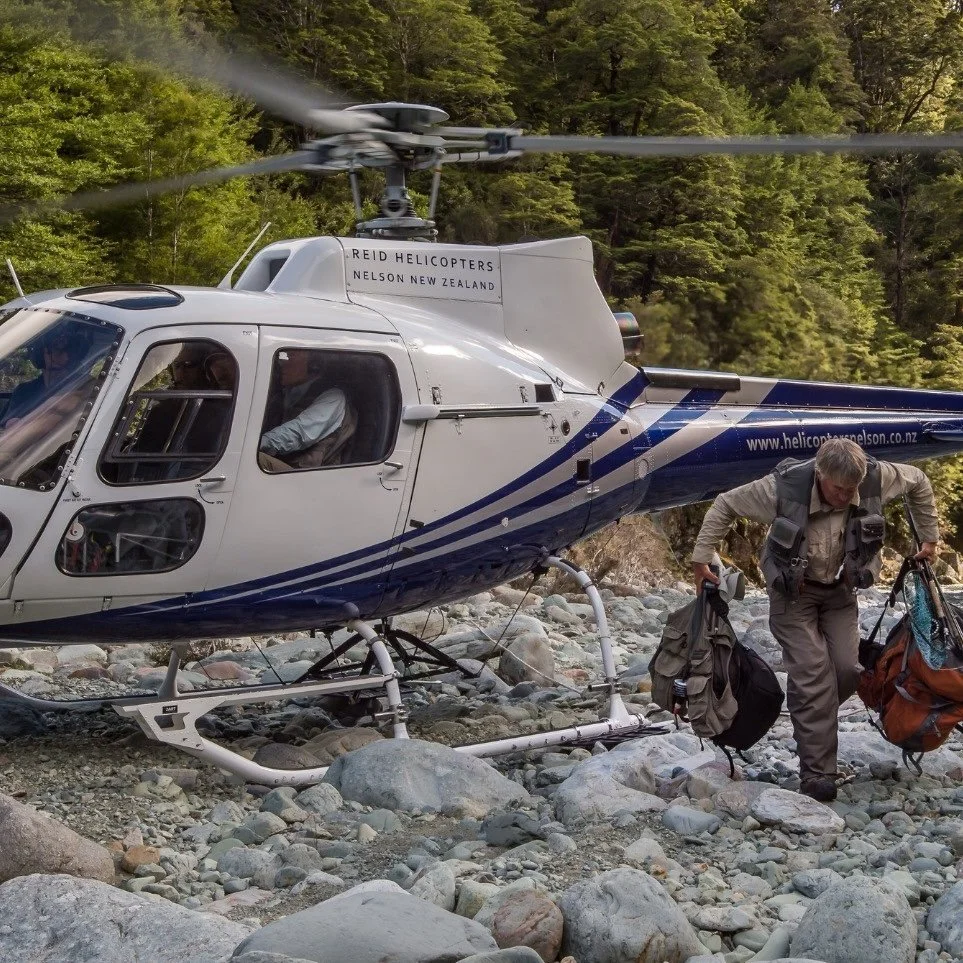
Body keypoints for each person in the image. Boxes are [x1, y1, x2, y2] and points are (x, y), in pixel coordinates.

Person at [691, 438, 938, 801]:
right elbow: (726, 503)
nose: (847, 496)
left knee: (847, 671)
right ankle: (817, 774)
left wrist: (930, 539)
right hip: (793, 594)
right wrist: (701, 558)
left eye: (852, 489)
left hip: (840, 592)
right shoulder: (780, 488)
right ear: (821, 474)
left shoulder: (875, 478)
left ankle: (810, 715)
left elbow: (917, 480)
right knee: (811, 672)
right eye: (839, 489)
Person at [258, 349, 356, 471]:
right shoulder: (285, 393)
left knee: (256, 460)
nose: (282, 363)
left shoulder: (333, 398)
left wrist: (257, 443)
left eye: (291, 356)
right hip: (285, 462)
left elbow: (299, 433)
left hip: (308, 474)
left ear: (313, 364)